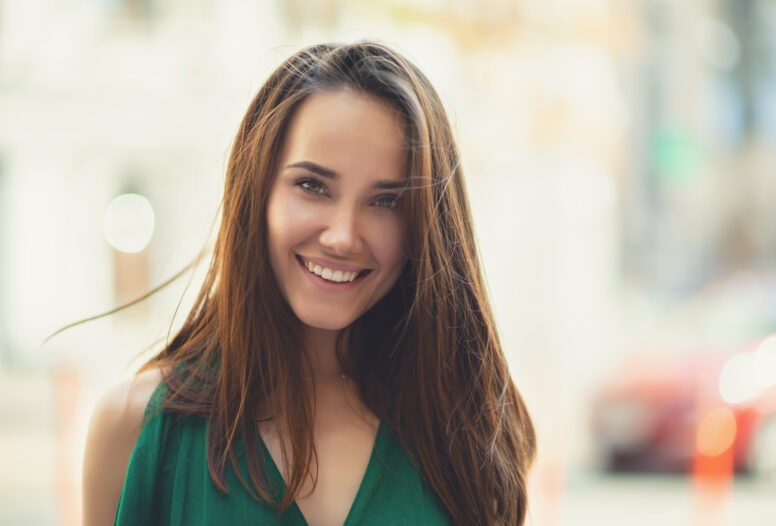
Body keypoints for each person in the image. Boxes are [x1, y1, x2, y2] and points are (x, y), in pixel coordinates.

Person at [83, 41, 536, 526]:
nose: (342, 237)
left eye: (385, 202)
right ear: (257, 192)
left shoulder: (467, 436)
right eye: (313, 186)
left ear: (424, 226)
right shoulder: (134, 427)